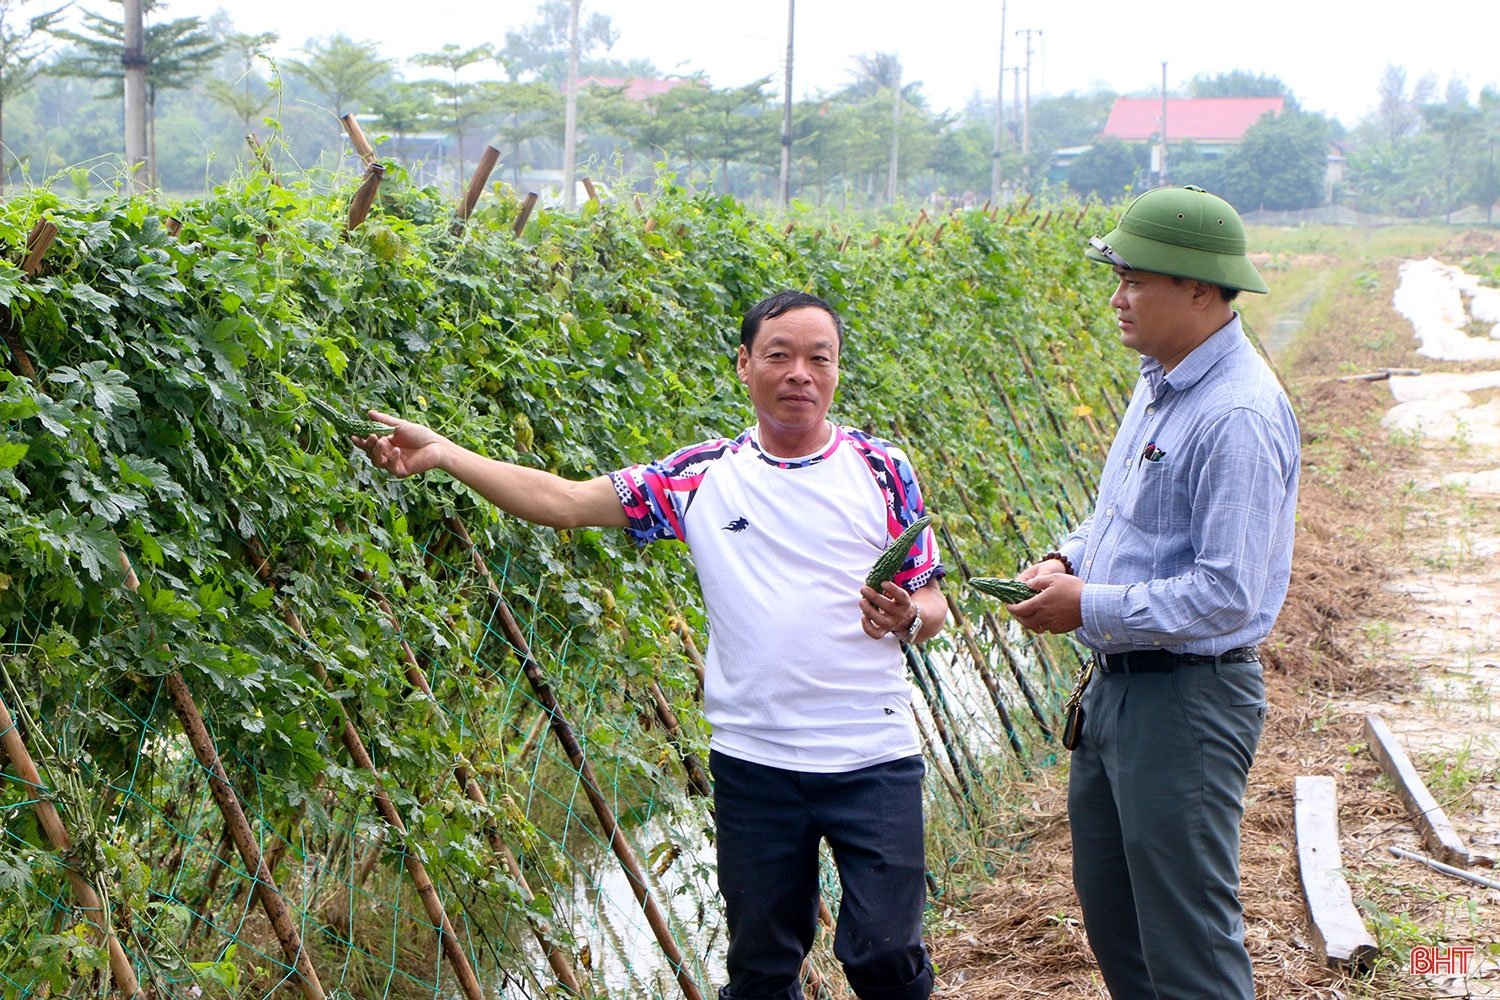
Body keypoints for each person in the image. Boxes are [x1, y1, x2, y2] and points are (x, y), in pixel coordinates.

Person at [353, 289, 947, 1000]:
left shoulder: (883, 468)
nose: (800, 374)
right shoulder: (700, 477)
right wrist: (447, 454)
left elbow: (933, 599)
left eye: (819, 358)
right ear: (744, 364)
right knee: (760, 968)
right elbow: (565, 502)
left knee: (884, 952)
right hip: (756, 764)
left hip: (870, 755)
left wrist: (908, 613)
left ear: (838, 370)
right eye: (779, 355)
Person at [1007, 185, 1300, 1000]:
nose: (1117, 296)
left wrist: (1088, 607)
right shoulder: (1160, 381)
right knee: (1120, 927)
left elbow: (1228, 592)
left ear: (1199, 290)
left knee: (1189, 947)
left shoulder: (1235, 412)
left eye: (1136, 279)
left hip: (1186, 704)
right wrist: (1068, 561)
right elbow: (1131, 520)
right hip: (1120, 695)